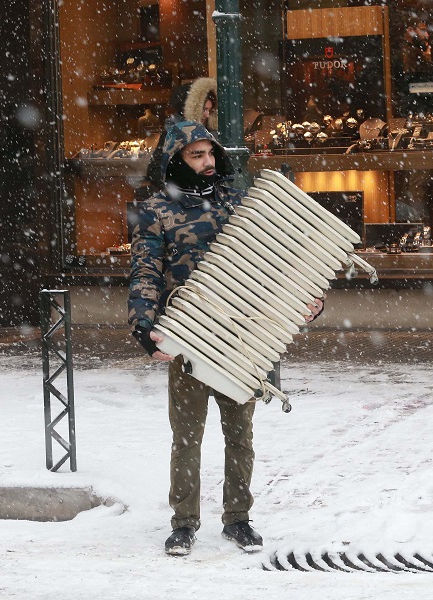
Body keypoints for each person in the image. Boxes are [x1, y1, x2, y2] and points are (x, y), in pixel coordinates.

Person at [128, 121, 325, 557]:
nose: (208, 162)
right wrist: (144, 327)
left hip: (241, 338)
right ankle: (183, 523)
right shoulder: (157, 209)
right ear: (176, 160)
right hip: (188, 336)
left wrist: (309, 300)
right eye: (196, 155)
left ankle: (238, 519)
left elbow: (278, 261)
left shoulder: (238, 202)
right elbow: (144, 272)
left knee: (240, 433)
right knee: (186, 437)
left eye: (210, 153)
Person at [141, 77, 217, 196]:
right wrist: (181, 187)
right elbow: (155, 169)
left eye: (209, 110)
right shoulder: (173, 134)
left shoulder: (209, 134)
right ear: (192, 109)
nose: (207, 115)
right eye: (204, 109)